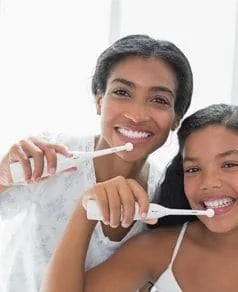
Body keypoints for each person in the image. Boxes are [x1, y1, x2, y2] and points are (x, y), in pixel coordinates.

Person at [0, 34, 193, 292]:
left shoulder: (165, 197)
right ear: (99, 100)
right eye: (122, 92)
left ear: (176, 118)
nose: (136, 115)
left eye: (159, 100)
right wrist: (1, 177)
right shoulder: (49, 158)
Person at [41, 103, 238, 292]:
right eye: (193, 169)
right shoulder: (159, 249)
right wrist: (84, 213)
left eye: (229, 165)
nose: (210, 183)